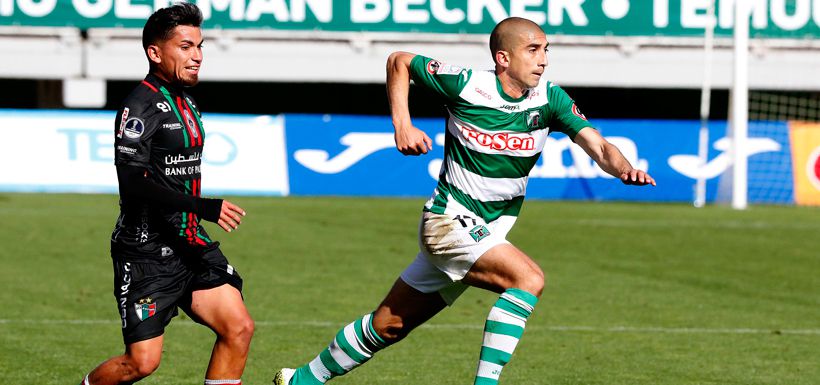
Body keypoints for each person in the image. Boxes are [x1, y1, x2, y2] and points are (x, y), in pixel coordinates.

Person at [274, 17, 655, 385]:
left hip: (485, 231)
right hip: (448, 221)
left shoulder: (549, 98)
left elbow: (599, 146)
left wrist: (623, 169)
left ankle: (302, 379)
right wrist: (402, 124)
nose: (544, 59)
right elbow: (399, 61)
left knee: (388, 325)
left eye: (546, 50)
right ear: (503, 58)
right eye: (534, 49)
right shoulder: (468, 85)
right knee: (528, 279)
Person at [78, 3, 254, 385]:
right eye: (186, 46)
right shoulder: (138, 105)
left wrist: (195, 215)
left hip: (190, 243)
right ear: (155, 53)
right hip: (146, 251)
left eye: (200, 46)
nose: (197, 57)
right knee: (141, 364)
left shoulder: (187, 99)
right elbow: (133, 182)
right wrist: (202, 206)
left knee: (238, 328)